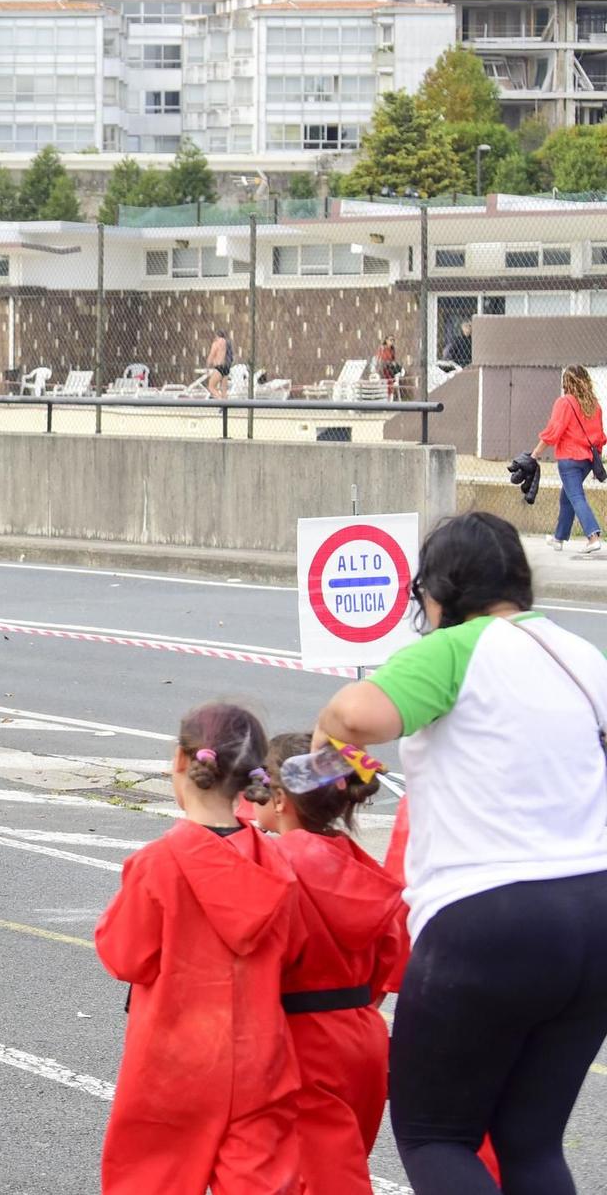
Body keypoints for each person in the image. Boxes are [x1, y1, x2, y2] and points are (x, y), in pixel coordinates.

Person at [310, 511, 607, 1191]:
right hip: (594, 911)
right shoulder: (580, 655)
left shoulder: (456, 647)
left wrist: (326, 733)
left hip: (488, 919)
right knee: (532, 1143)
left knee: (436, 1136)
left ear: (438, 592)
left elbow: (361, 716)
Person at [96, 701, 303, 1195]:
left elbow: (126, 957)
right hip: (259, 1057)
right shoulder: (275, 865)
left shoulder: (159, 863)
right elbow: (293, 954)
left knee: (151, 1180)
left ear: (183, 762)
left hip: (172, 1060)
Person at [247, 732, 405, 1195]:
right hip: (360, 1034)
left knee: (317, 1178)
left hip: (297, 1038)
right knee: (342, 1160)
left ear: (279, 798)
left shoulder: (269, 865)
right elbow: (389, 957)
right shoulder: (359, 864)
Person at [532, 363, 604, 556]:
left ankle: (593, 537)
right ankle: (559, 537)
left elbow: (553, 432)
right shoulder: (594, 405)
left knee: (576, 497)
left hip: (569, 460)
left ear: (567, 382)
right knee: (568, 496)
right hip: (588, 460)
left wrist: (535, 454)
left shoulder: (564, 403)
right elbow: (599, 436)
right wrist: (596, 462)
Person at [204, 328, 232, 398]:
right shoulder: (227, 343)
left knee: (211, 387)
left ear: (216, 336)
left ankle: (220, 401)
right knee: (224, 390)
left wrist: (207, 366)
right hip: (226, 367)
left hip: (219, 367)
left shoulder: (216, 343)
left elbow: (212, 354)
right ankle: (224, 407)